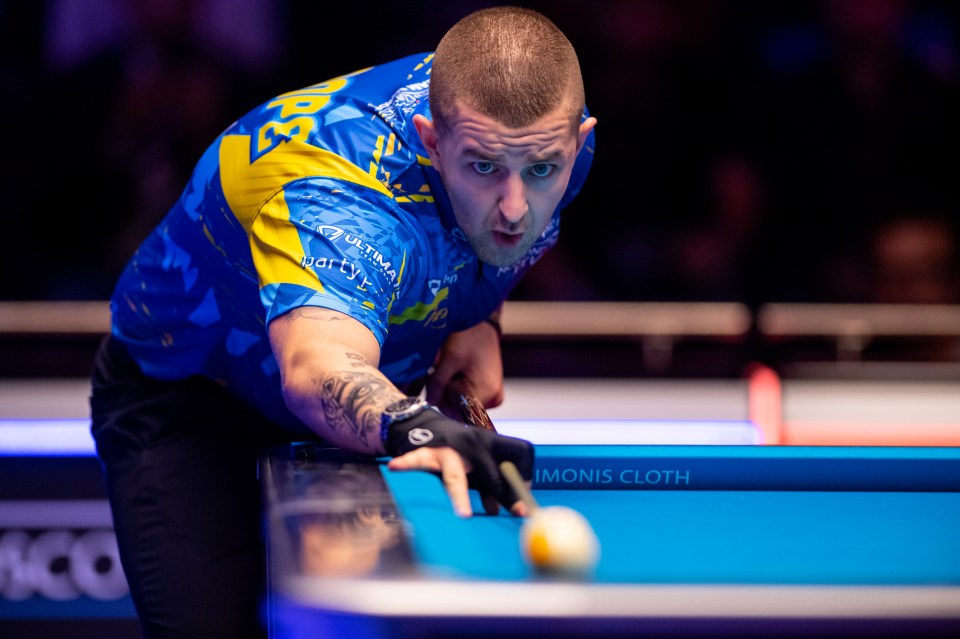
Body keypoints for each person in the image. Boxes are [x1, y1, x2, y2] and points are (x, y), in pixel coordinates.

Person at [90, 6, 596, 638]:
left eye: (542, 170)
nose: (516, 206)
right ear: (431, 141)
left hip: (369, 392)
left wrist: (477, 319)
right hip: (190, 400)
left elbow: (499, 232)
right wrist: (415, 426)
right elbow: (317, 365)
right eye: (484, 168)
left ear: (578, 138)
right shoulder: (340, 198)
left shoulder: (546, 136)